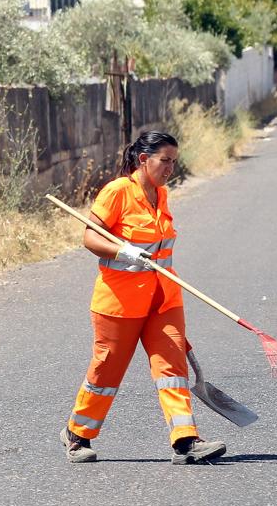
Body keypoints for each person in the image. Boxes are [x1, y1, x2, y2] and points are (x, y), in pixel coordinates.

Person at [61, 131, 227, 465]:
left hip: (163, 299)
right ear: (143, 159)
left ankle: (185, 441)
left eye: (173, 162)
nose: (170, 169)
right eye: (164, 161)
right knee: (106, 372)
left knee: (172, 368)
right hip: (119, 303)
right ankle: (77, 434)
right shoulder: (118, 191)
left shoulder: (162, 194)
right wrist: (123, 250)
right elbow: (90, 237)